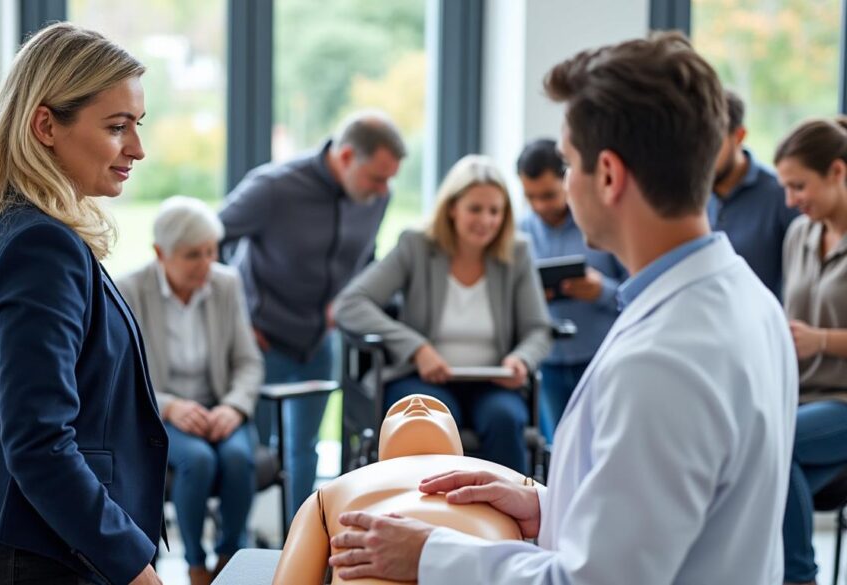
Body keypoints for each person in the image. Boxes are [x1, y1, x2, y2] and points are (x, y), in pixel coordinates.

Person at [327, 33, 797, 584]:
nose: (565, 189)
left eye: (569, 164)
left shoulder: (662, 359)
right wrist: (547, 508)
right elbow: (677, 519)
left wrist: (431, 556)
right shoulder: (749, 303)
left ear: (608, 176)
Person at [0, 23, 166, 585]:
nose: (136, 148)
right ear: (46, 126)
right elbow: (39, 445)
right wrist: (135, 567)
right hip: (39, 559)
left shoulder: (23, 230)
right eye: (117, 127)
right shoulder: (41, 246)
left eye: (136, 126)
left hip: (40, 549)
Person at [219, 111, 406, 519]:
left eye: (389, 180)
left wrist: (347, 301)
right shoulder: (273, 187)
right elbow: (209, 241)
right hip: (259, 341)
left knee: (305, 449)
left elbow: (366, 258)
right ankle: (240, 548)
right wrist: (239, 322)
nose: (383, 190)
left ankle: (297, 543)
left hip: (320, 342)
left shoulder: (377, 197)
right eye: (376, 178)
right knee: (253, 449)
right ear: (345, 157)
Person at [334, 154, 552, 472]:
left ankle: (506, 520)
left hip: (492, 383)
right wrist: (416, 348)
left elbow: (538, 329)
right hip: (420, 379)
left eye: (495, 211)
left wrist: (521, 359)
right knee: (431, 423)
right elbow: (350, 304)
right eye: (475, 209)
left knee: (505, 419)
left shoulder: (517, 253)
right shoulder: (416, 246)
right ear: (452, 208)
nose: (486, 220)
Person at [116, 196, 262, 585]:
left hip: (219, 407)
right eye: (192, 255)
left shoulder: (226, 283)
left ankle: (231, 558)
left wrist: (233, 407)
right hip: (159, 412)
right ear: (160, 253)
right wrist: (168, 406)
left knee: (237, 459)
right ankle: (196, 566)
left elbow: (248, 362)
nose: (206, 264)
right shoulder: (129, 289)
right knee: (197, 461)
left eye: (211, 252)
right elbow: (121, 372)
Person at [273, 394, 524, 585]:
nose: (416, 404)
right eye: (397, 411)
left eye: (437, 408)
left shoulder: (513, 485)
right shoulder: (329, 493)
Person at [773, 117, 847, 585]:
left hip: (842, 400)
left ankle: (798, 578)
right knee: (750, 455)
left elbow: (813, 333)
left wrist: (820, 340)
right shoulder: (799, 234)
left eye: (799, 185)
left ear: (837, 172)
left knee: (774, 449)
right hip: (797, 399)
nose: (790, 200)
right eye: (785, 187)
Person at [516, 139, 624, 443]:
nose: (540, 206)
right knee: (557, 446)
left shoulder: (602, 225)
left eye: (548, 195)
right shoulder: (519, 231)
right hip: (547, 363)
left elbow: (638, 294)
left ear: (569, 179)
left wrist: (600, 289)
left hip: (601, 357)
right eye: (530, 197)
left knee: (601, 444)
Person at [708, 89, 799, 299]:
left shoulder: (783, 195)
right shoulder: (690, 194)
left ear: (739, 136)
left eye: (712, 143)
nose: (701, 155)